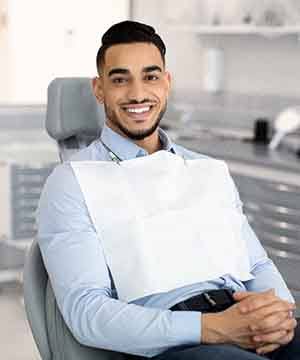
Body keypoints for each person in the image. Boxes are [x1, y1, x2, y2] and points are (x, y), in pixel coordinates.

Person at [37, 21, 299, 360]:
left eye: (150, 76)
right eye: (120, 80)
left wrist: (279, 315)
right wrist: (212, 328)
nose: (137, 94)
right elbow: (87, 312)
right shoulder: (72, 182)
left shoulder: (207, 169)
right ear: (99, 89)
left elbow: (257, 264)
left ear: (167, 82)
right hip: (176, 343)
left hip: (242, 320)